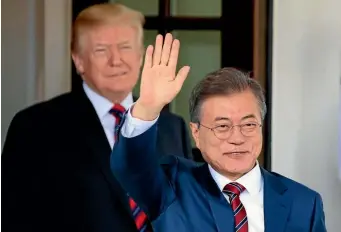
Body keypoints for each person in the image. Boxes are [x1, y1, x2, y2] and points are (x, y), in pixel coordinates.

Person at [2, 3, 192, 232]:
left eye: (125, 47)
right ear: (79, 60)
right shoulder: (34, 127)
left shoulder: (173, 127)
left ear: (141, 56)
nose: (116, 60)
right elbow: (15, 218)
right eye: (102, 50)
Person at [110, 33, 327, 232]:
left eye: (248, 125)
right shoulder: (172, 185)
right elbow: (131, 166)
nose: (237, 138)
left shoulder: (304, 203)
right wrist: (147, 107)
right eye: (222, 126)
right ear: (196, 132)